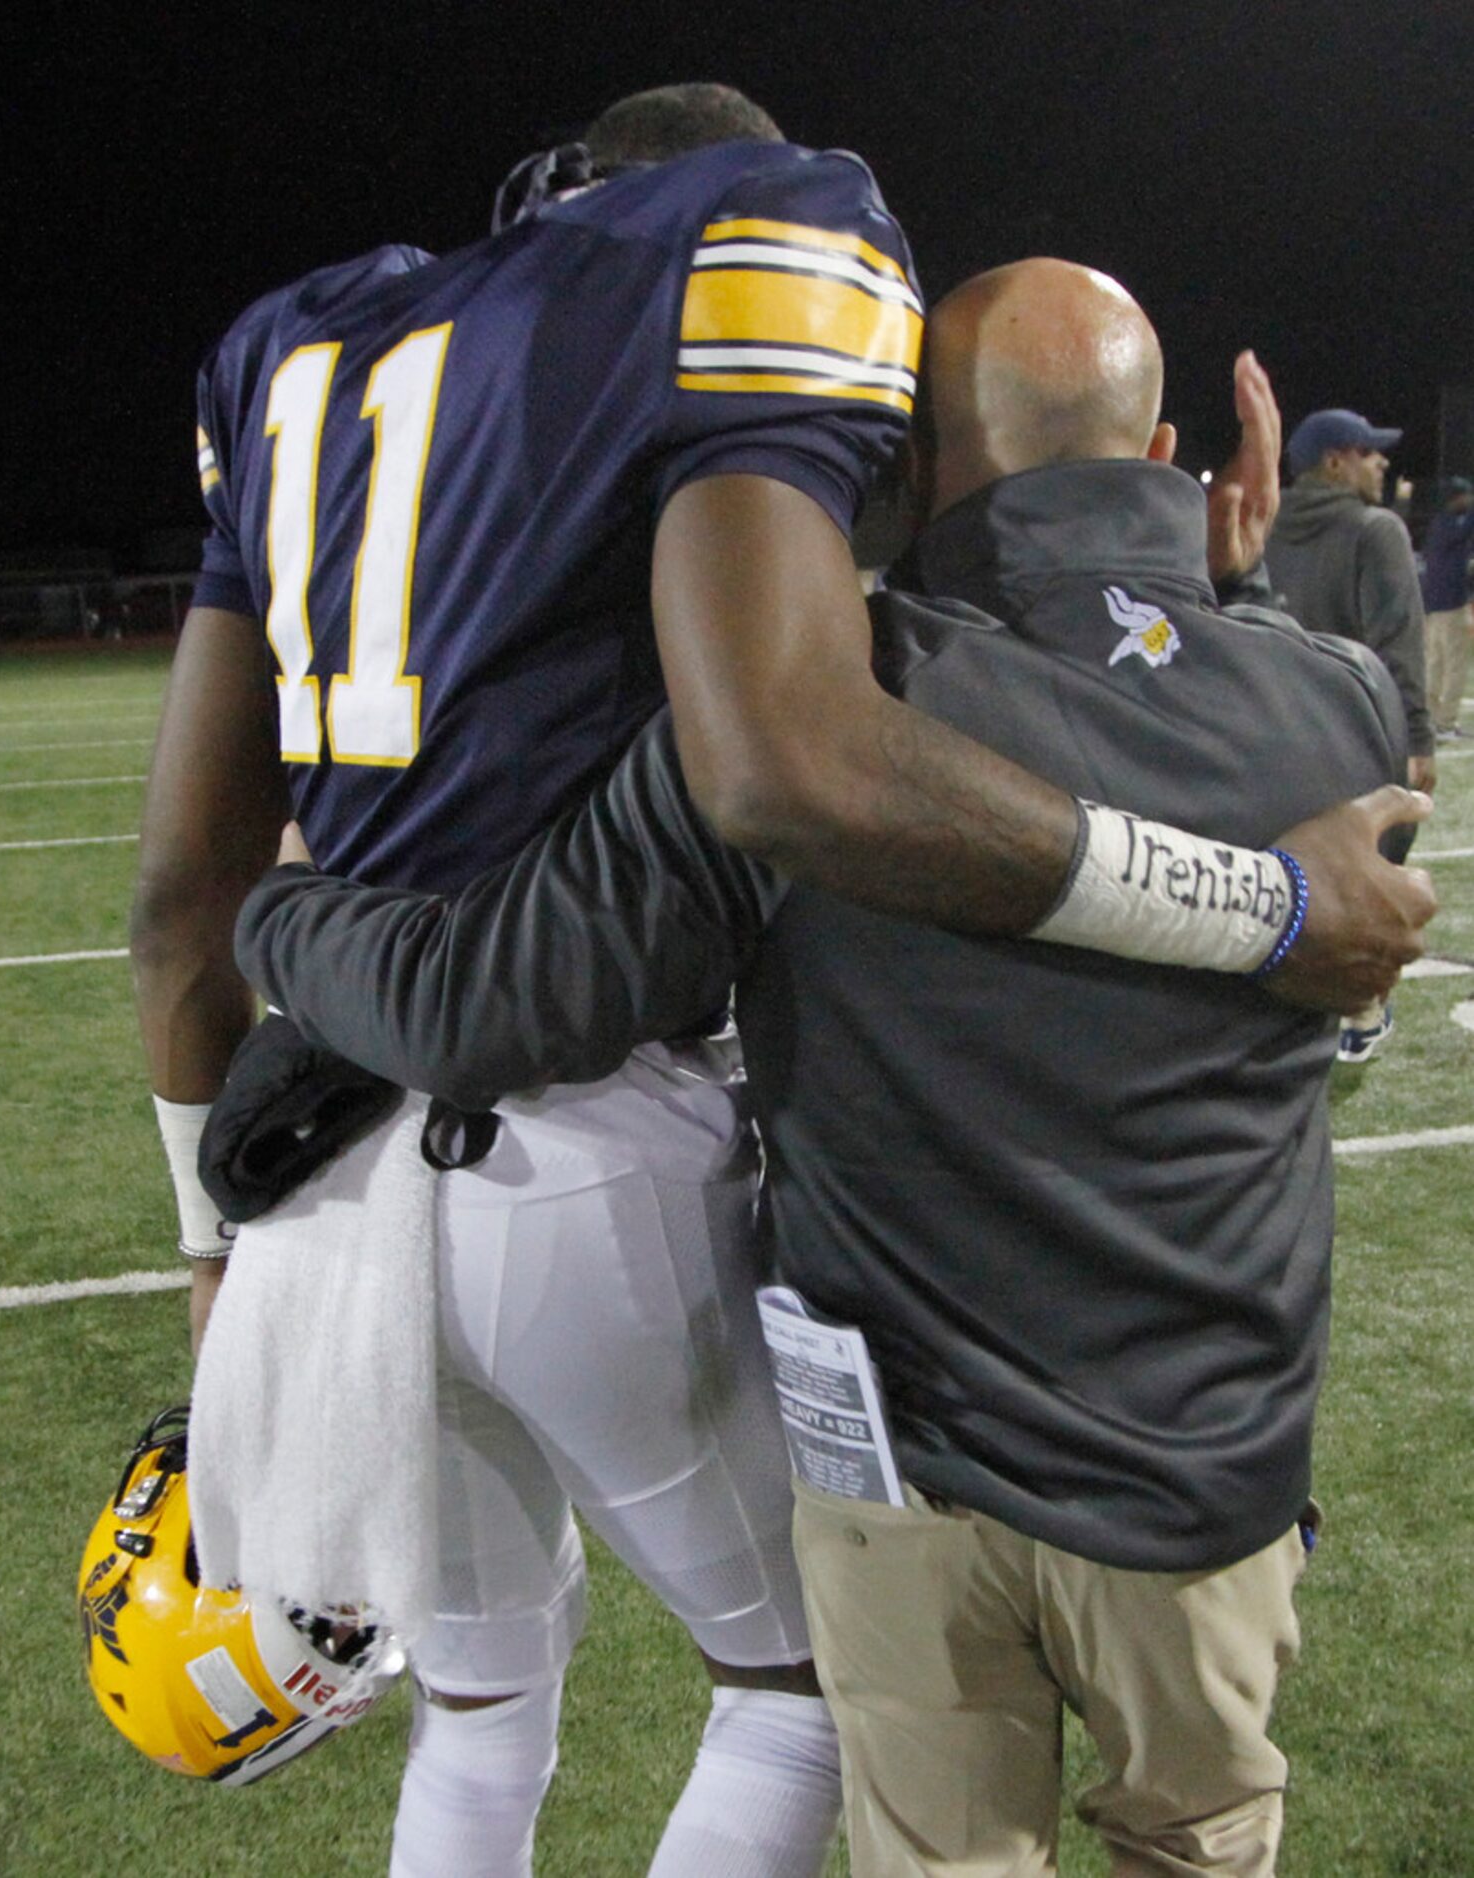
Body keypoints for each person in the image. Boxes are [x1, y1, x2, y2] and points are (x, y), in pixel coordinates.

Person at [131, 79, 1429, 1873]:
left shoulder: (323, 366)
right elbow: (821, 763)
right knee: (894, 1726)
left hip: (375, 1209)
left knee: (493, 1707)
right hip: (1098, 1430)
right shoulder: (1337, 711)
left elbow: (259, 926)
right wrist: (1256, 847)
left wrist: (261, 1000)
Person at [1265, 405, 1434, 1062]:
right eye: (1369, 452)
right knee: (1370, 881)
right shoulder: (1375, 530)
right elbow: (1397, 643)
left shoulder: (1267, 522)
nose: (1382, 462)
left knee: (1297, 882)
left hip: (1276, 734)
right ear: (1336, 461)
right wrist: (1417, 740)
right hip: (1362, 737)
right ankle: (1363, 1017)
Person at [1419, 476, 1474, 739]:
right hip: (1451, 605)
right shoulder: (1452, 525)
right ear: (1455, 498)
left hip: (1433, 606)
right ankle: (1445, 723)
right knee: (1454, 666)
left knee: (1434, 664)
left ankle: (1431, 720)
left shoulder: (1438, 524)